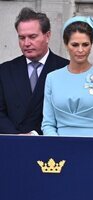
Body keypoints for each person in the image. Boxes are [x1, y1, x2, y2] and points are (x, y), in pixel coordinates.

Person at [41, 16, 93, 137]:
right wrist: (56, 145)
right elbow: (48, 123)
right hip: (59, 149)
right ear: (66, 45)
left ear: (91, 45)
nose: (80, 50)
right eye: (75, 45)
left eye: (85, 44)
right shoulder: (52, 78)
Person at [0, 7, 69, 135]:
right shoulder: (4, 71)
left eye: (32, 37)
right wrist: (16, 136)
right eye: (22, 38)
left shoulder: (65, 68)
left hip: (51, 146)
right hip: (11, 145)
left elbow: (68, 115)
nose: (26, 43)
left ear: (47, 35)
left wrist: (35, 134)